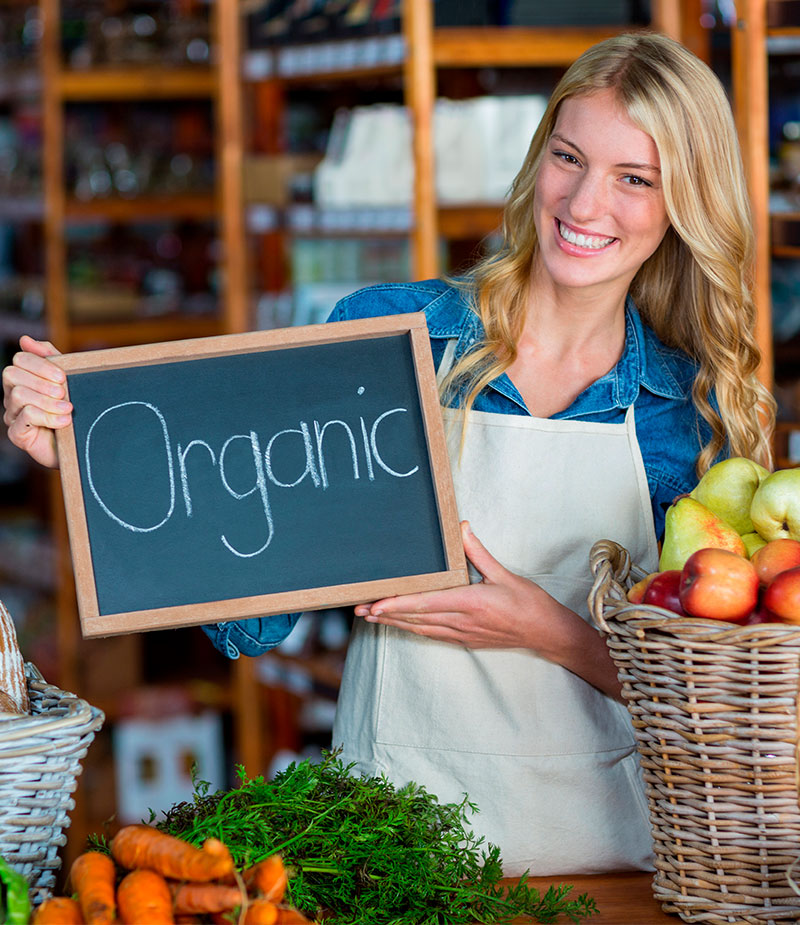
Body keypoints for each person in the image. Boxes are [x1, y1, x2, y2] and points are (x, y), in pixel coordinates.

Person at [2, 32, 775, 876]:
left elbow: (715, 704)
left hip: (610, 861)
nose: (586, 204)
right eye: (569, 157)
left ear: (683, 203)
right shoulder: (391, 338)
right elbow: (252, 614)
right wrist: (92, 455)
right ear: (537, 159)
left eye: (635, 178)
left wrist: (545, 630)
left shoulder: (686, 408)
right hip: (394, 847)